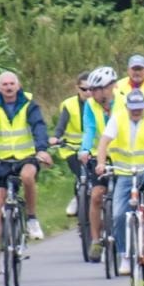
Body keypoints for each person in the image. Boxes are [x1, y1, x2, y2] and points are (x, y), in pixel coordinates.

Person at [0, 71, 51, 273]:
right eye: (4, 84)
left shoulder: (28, 103)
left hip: (25, 156)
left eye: (12, 84)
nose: (8, 87)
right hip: (1, 159)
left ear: (18, 85)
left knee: (28, 177)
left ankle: (32, 219)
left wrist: (41, 148)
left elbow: (38, 126)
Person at [93, 89, 144, 275]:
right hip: (125, 173)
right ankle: (125, 256)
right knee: (119, 214)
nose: (136, 112)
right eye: (133, 108)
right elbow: (104, 142)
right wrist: (100, 164)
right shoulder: (118, 118)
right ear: (127, 107)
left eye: (139, 108)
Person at [78, 67, 120, 259]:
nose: (92, 93)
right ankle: (95, 241)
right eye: (90, 90)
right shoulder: (90, 105)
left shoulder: (124, 101)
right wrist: (85, 149)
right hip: (100, 157)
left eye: (96, 89)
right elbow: (89, 128)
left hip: (122, 156)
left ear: (109, 88)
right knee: (96, 195)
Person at [50, 71, 94, 217]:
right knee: (80, 175)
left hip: (93, 147)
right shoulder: (69, 105)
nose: (88, 93)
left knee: (95, 177)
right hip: (72, 148)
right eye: (84, 89)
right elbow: (61, 124)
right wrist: (55, 137)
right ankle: (78, 197)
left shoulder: (99, 104)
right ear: (77, 88)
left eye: (91, 89)